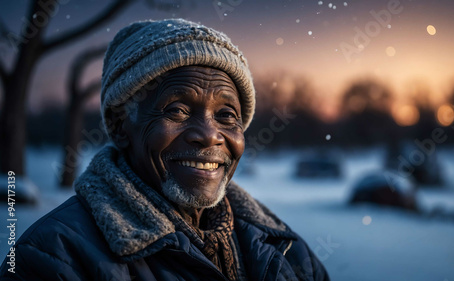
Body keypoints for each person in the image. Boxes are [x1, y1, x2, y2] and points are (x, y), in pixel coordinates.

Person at [0, 19, 329, 281]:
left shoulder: (283, 247)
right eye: (177, 110)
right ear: (119, 126)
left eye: (226, 115)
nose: (208, 136)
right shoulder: (53, 256)